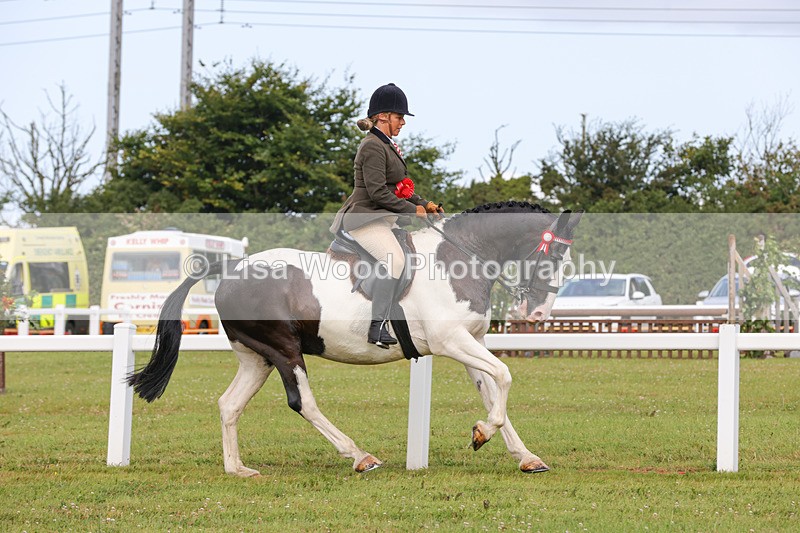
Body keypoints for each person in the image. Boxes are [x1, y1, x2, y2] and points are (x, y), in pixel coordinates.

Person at [330, 82, 444, 348]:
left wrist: (425, 204)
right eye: (399, 116)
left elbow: (400, 188)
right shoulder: (372, 146)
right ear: (383, 116)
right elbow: (378, 193)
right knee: (394, 260)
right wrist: (412, 211)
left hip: (381, 220)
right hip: (365, 220)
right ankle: (377, 326)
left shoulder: (386, 145)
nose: (403, 122)